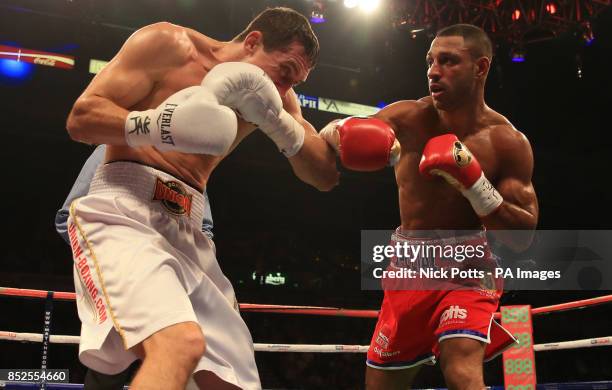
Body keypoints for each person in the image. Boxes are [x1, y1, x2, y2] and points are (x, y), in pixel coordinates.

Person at [64, 7, 341, 390]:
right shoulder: (170, 44)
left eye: (295, 81)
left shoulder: (277, 98)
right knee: (179, 345)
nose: (283, 89)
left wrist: (280, 125)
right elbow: (81, 119)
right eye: (284, 72)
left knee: (230, 380)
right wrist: (159, 125)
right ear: (253, 41)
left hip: (189, 228)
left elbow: (324, 174)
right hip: (125, 208)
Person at [319, 24, 539, 389]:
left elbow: (522, 237)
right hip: (408, 269)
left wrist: (474, 183)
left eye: (448, 61)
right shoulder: (408, 118)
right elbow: (334, 133)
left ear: (480, 68)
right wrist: (341, 129)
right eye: (430, 61)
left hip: (469, 270)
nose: (433, 71)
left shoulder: (507, 142)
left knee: (462, 369)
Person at [55, 144, 213, 389]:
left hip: (177, 281)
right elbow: (68, 217)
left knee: (196, 365)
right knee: (108, 371)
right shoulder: (111, 147)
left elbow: (204, 230)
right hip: (123, 273)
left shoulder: (190, 160)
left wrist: (185, 267)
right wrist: (112, 262)